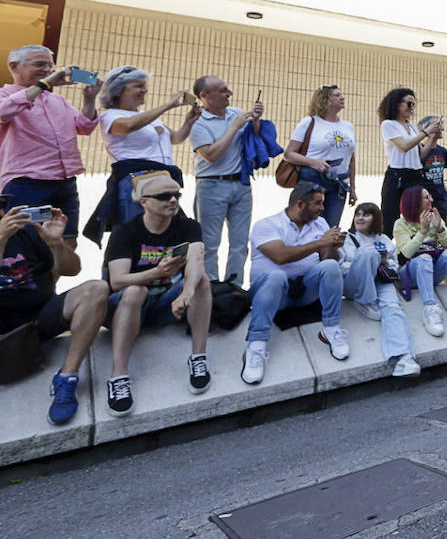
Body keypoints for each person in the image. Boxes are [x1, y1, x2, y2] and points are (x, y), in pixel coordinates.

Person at [102, 174, 212, 415]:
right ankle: (118, 376)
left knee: (202, 280)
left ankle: (198, 358)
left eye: (177, 195)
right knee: (135, 291)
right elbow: (117, 280)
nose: (173, 200)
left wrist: (186, 292)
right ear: (144, 202)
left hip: (166, 302)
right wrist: (156, 272)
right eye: (164, 196)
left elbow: (195, 260)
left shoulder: (188, 226)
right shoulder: (125, 231)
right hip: (127, 306)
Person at [0, 205, 108, 425]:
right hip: (4, 328)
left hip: (39, 317)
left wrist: (55, 243)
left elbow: (72, 269)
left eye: (2, 205)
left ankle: (66, 378)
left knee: (96, 289)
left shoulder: (24, 234)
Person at [242, 182, 350, 384]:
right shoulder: (267, 225)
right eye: (318, 203)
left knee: (331, 267)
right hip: (273, 294)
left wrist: (333, 247)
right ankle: (256, 346)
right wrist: (321, 242)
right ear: (300, 204)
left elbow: (328, 258)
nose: (322, 208)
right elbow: (281, 257)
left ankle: (332, 329)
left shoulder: (320, 225)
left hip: (305, 291)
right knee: (276, 275)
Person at [85, 66, 198, 243]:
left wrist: (189, 122)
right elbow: (129, 126)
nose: (144, 90)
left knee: (165, 234)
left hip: (164, 178)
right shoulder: (110, 116)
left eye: (144, 86)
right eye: (138, 86)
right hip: (137, 181)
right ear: (119, 91)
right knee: (137, 234)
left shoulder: (149, 117)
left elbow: (175, 138)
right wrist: (168, 104)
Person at [1, 45, 102, 240]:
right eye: (40, 65)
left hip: (65, 181)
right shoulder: (5, 95)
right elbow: (4, 112)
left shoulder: (57, 100)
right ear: (14, 66)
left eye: (50, 66)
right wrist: (44, 84)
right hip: (26, 181)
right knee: (23, 242)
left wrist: (90, 99)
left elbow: (84, 127)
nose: (47, 71)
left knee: (66, 240)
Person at [189, 76, 264, 283]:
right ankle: (210, 288)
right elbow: (211, 155)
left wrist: (256, 119)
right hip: (211, 184)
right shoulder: (198, 123)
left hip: (241, 184)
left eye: (227, 89)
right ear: (204, 96)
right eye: (222, 90)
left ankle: (234, 287)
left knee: (240, 243)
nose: (229, 93)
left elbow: (254, 136)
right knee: (209, 243)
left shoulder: (236, 113)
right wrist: (233, 128)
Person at [339, 202, 420, 377]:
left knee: (394, 308)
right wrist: (367, 260)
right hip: (354, 284)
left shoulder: (384, 240)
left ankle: (404, 358)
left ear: (375, 218)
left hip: (380, 281)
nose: (360, 218)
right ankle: (364, 301)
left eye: (366, 215)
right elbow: (340, 267)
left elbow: (394, 266)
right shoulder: (346, 238)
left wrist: (383, 262)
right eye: (358, 214)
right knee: (368, 253)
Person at [391, 186, 447, 335]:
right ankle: (430, 309)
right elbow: (408, 252)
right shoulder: (400, 224)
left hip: (432, 272)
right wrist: (423, 231)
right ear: (414, 201)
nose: (431, 199)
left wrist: (440, 229)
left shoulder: (434, 217)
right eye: (426, 197)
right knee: (423, 258)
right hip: (409, 275)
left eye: (430, 196)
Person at [281, 85, 357, 228]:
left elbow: (351, 159)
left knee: (330, 229)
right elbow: (289, 154)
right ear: (325, 100)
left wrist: (352, 187)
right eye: (337, 95)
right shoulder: (310, 122)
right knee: (308, 226)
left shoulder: (348, 126)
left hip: (339, 184)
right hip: (313, 179)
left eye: (341, 94)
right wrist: (314, 162)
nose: (342, 97)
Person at [377, 88, 441, 235]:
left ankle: (417, 245)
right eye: (409, 104)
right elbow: (404, 146)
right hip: (397, 174)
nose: (412, 108)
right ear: (396, 104)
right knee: (390, 214)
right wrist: (425, 132)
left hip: (416, 174)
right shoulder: (389, 124)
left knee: (417, 214)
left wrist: (433, 137)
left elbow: (420, 155)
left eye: (414, 104)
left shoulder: (412, 126)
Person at [417, 115, 447, 219]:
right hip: (424, 197)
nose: (440, 128)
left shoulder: (442, 151)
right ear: (426, 129)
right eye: (436, 125)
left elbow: (443, 173)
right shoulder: (419, 149)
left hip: (441, 196)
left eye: (440, 125)